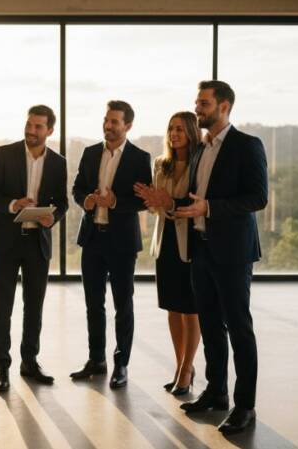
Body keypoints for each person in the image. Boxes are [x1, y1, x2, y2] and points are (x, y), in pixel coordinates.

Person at [175, 81, 268, 435]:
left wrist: (210, 208)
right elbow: (195, 197)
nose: (197, 108)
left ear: (224, 106)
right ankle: (216, 392)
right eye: (197, 102)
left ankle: (245, 406)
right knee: (211, 325)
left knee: (239, 328)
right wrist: (171, 203)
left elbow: (258, 197)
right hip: (201, 248)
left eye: (203, 103)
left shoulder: (247, 145)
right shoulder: (200, 148)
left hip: (232, 253)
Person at [0, 105, 68, 392]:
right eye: (29, 124)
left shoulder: (58, 163)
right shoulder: (5, 154)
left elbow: (62, 203)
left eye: (38, 126)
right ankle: (2, 366)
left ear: (49, 130)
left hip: (37, 242)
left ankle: (29, 362)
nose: (31, 130)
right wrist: (12, 205)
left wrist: (53, 217)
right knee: (2, 305)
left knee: (34, 306)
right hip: (5, 241)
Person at [70, 100, 152, 389]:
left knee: (123, 305)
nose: (108, 125)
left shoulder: (140, 158)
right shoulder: (90, 153)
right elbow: (77, 189)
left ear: (128, 125)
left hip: (122, 243)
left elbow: (144, 200)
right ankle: (96, 360)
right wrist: (86, 200)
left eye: (114, 121)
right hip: (92, 238)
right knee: (93, 304)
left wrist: (115, 202)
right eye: (106, 120)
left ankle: (121, 364)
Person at [134, 111, 201, 396]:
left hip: (191, 242)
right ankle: (180, 364)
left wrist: (168, 202)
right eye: (171, 129)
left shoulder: (200, 164)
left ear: (192, 133)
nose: (174, 134)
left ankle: (187, 368)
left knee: (191, 308)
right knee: (173, 307)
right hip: (166, 241)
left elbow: (192, 203)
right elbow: (156, 206)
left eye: (180, 129)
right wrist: (152, 201)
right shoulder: (161, 164)